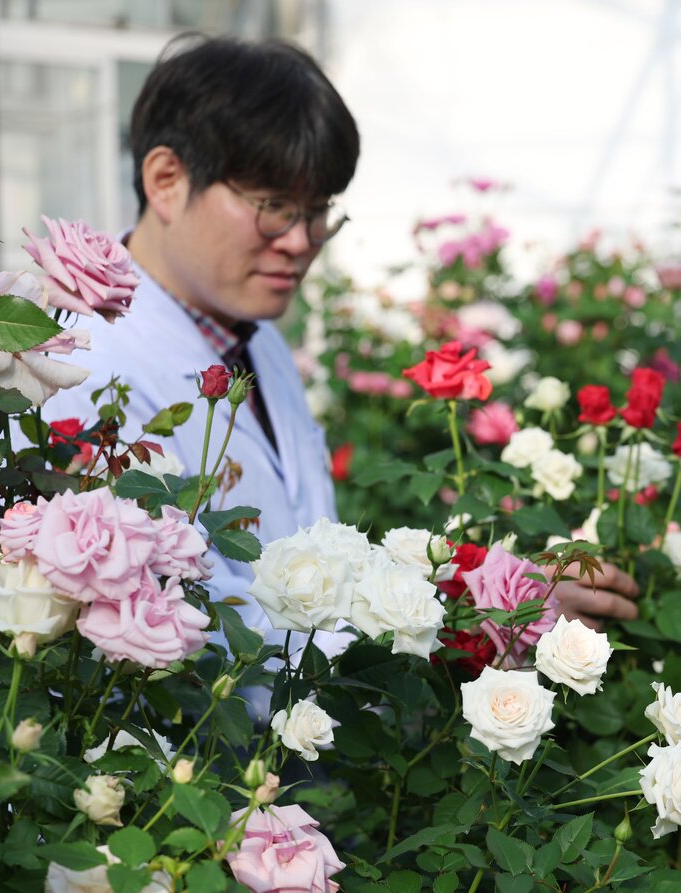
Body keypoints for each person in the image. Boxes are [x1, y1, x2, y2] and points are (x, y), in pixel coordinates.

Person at [42, 35, 637, 644]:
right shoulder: (84, 368)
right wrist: (464, 629)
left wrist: (492, 592)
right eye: (274, 206)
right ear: (166, 179)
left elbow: (311, 584)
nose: (301, 243)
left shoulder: (255, 342)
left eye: (319, 210)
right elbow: (207, 636)